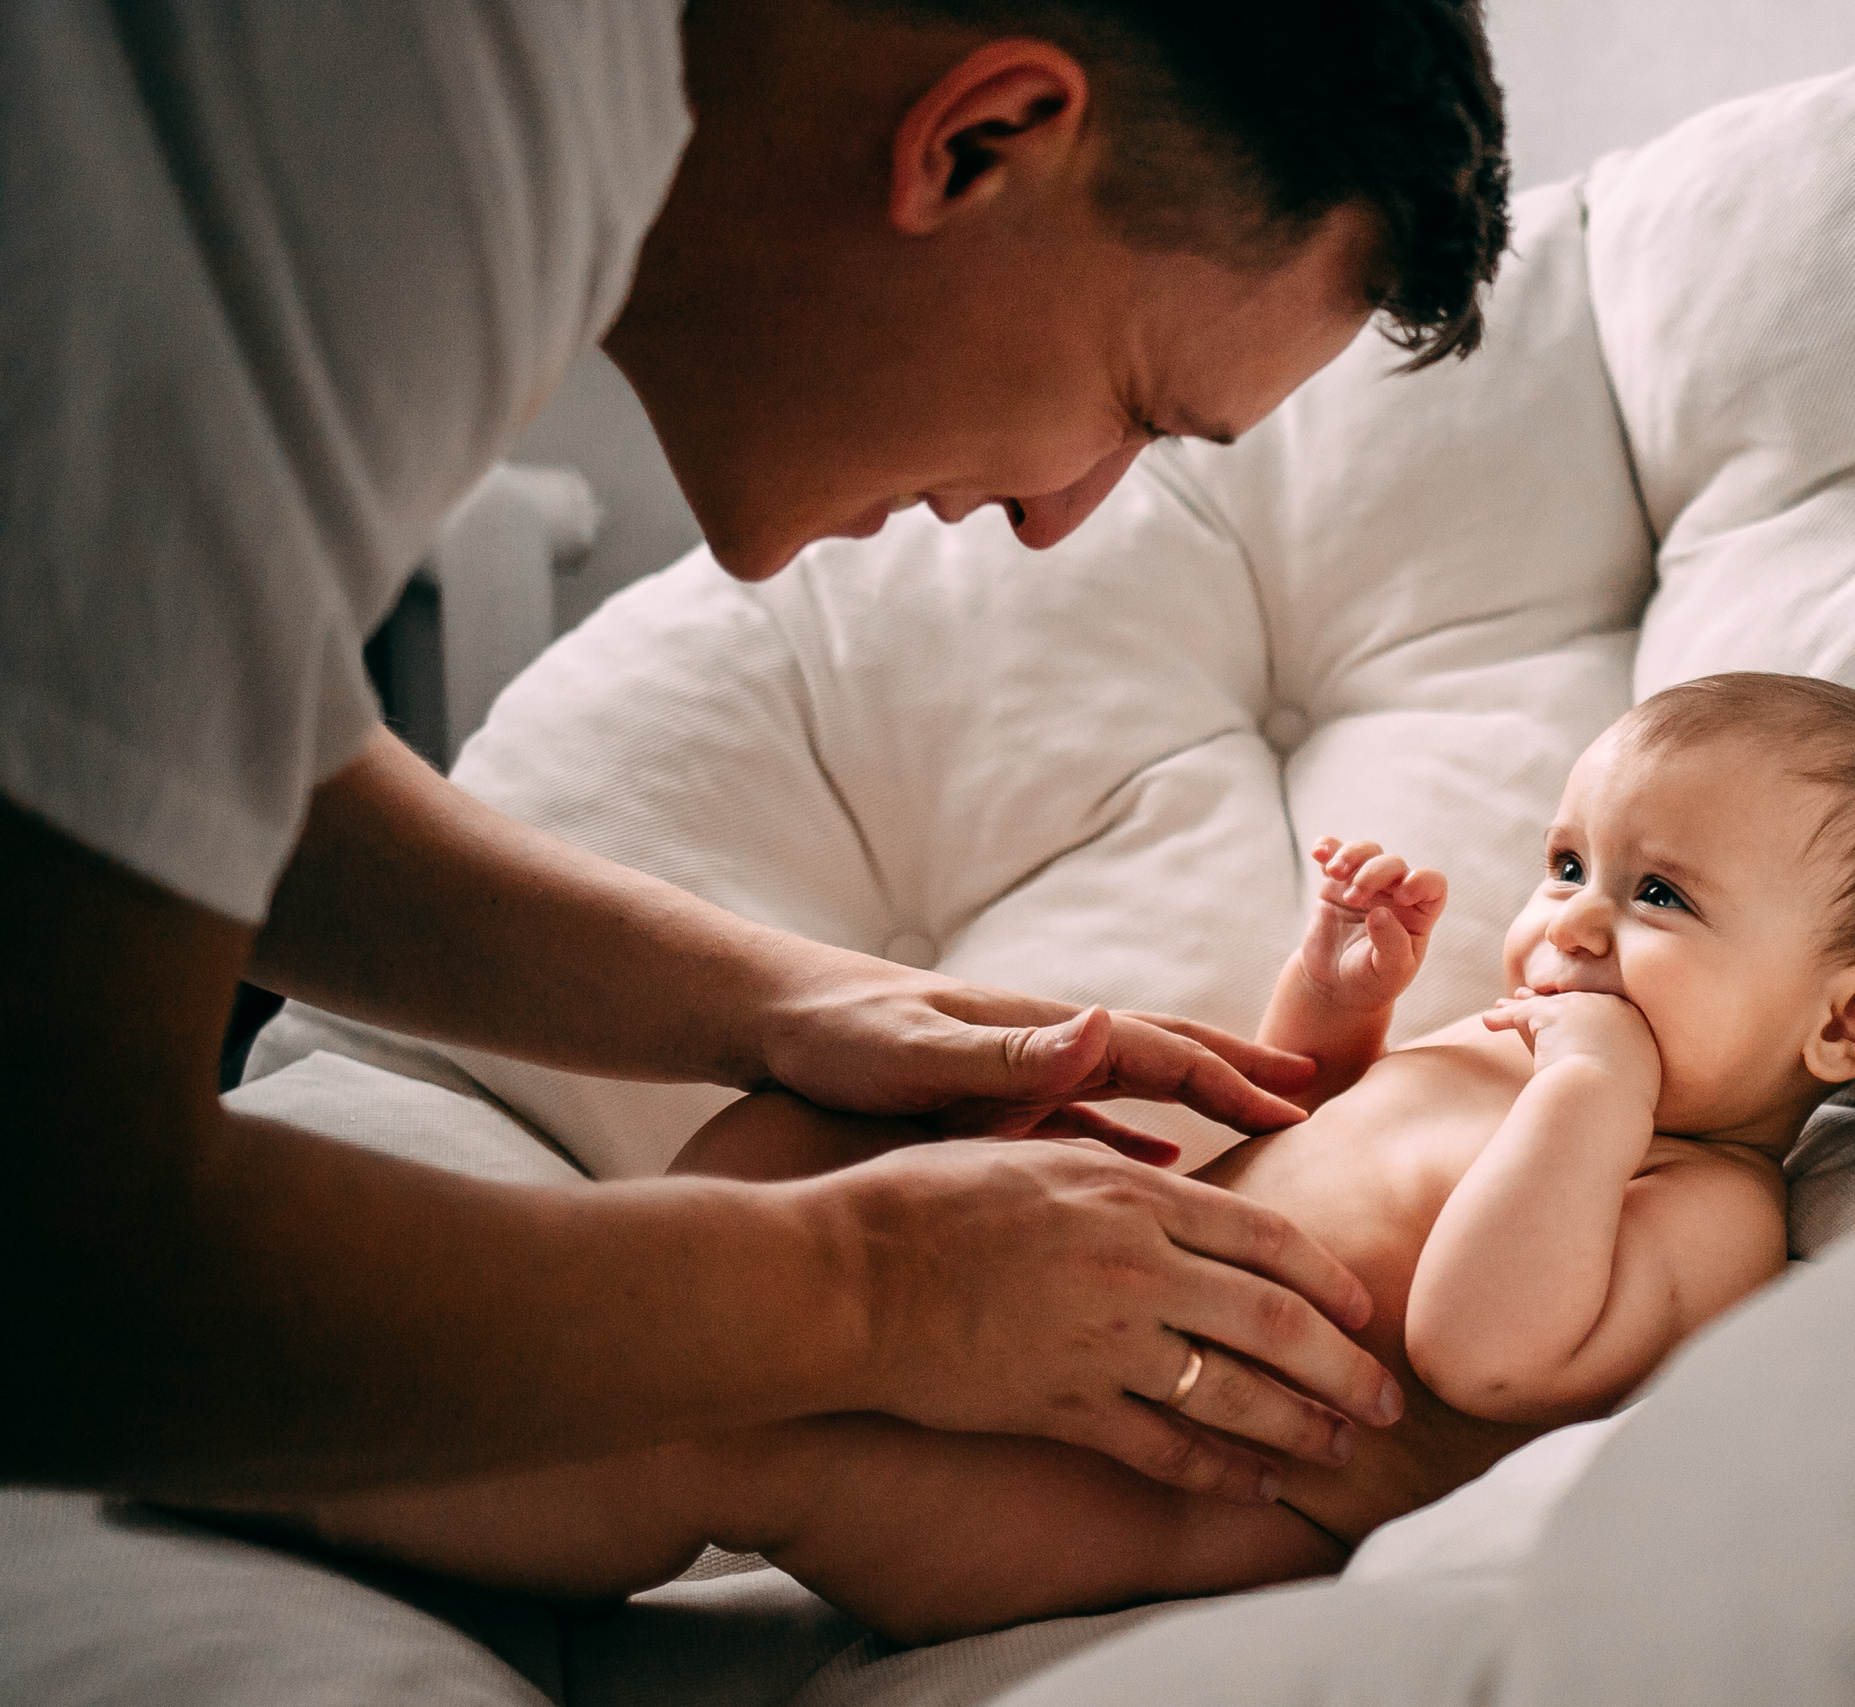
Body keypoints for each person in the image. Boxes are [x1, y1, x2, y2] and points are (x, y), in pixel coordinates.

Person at [0, 1, 1508, 1511]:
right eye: (1133, 408)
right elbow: (69, 1277)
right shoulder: (417, 123)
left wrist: (799, 1005)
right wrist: (890, 1289)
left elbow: (180, 765)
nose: (1061, 515)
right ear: (979, 144)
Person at [277, 672, 1855, 1642]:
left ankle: (324, 1456)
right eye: (1563, 865)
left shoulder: (1702, 1205)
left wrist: (1589, 1097)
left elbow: (1479, 1340)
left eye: (1660, 898)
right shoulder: (1529, 1060)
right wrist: (1334, 1008)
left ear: (1846, 1028)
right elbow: (1299, 1132)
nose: (1568, 930)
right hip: (1060, 1335)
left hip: (1177, 1501)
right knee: (819, 1126)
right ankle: (577, 1353)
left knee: (756, 1438)